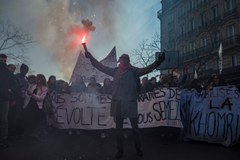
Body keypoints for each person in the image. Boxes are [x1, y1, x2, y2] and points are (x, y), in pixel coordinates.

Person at [84, 51, 165, 158]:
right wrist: (91, 58)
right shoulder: (115, 71)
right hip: (118, 103)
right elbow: (101, 67)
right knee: (118, 131)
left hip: (130, 103)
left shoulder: (134, 71)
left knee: (135, 129)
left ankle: (138, 149)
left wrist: (157, 63)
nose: (121, 62)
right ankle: (120, 151)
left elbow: (147, 69)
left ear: (127, 61)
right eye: (121, 60)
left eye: (123, 60)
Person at [0, 54, 16, 149]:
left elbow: (15, 83)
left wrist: (11, 89)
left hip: (5, 99)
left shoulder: (8, 72)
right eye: (0, 61)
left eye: (4, 61)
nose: (2, 63)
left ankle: (3, 139)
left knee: (4, 119)